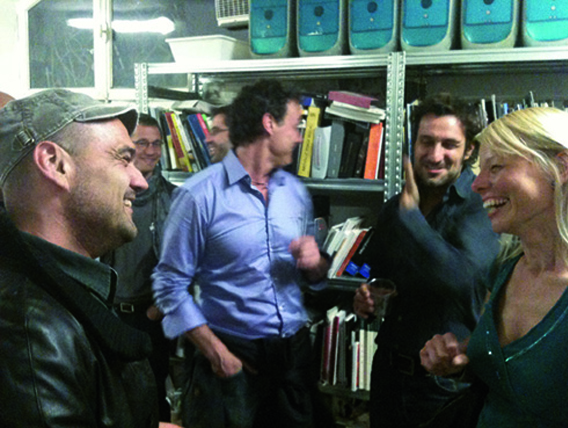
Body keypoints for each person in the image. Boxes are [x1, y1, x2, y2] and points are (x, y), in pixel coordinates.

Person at [152, 79, 332, 428]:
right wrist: (214, 352)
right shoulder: (199, 195)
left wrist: (315, 264)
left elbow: (313, 275)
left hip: (292, 358)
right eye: (295, 126)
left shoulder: (295, 192)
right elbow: (169, 285)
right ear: (269, 123)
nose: (299, 137)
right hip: (232, 358)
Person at [0, 89, 181, 427]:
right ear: (55, 164)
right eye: (123, 158)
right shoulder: (31, 332)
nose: (139, 181)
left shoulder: (62, 291)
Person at [353, 94, 500, 427]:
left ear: (469, 150)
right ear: (414, 143)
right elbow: (365, 267)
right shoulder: (396, 207)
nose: (435, 155)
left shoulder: (481, 205)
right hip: (388, 376)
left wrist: (412, 220)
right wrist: (365, 296)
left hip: (443, 386)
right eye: (426, 142)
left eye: (449, 144)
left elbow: (464, 280)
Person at [420, 107, 568, 427]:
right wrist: (458, 361)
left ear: (560, 168)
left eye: (497, 167)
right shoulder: (504, 269)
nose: (476, 184)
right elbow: (502, 373)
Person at [101, 113, 177, 421]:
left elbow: (187, 264)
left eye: (156, 143)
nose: (150, 150)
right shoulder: (108, 195)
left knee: (152, 396)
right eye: (142, 143)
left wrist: (156, 311)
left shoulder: (175, 199)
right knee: (113, 398)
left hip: (151, 318)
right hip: (109, 313)